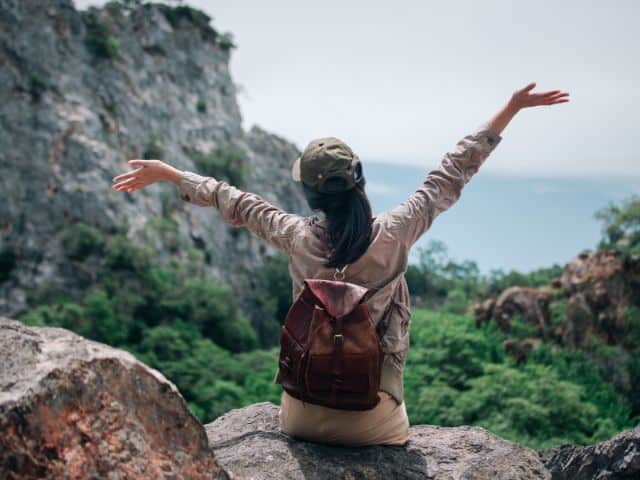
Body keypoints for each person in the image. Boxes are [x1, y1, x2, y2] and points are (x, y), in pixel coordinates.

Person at [112, 82, 570, 447]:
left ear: (310, 195)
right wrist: (510, 108)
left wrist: (172, 174)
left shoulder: (294, 235)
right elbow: (450, 173)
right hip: (375, 420)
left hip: (300, 417)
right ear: (360, 181)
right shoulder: (397, 231)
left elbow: (236, 202)